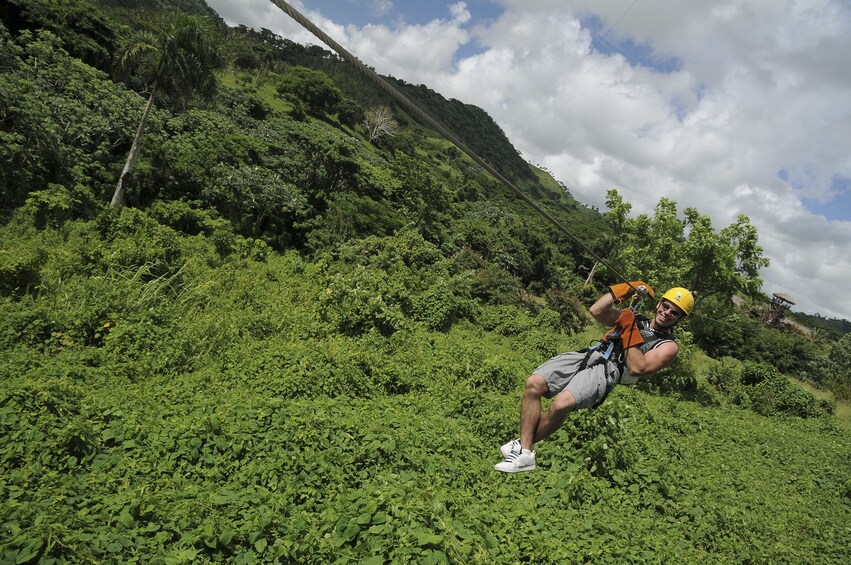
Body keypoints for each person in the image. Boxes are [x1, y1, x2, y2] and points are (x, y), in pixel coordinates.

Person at [494, 283, 695, 473]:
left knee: (561, 404)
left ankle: (525, 452)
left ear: (680, 319)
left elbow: (637, 367)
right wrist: (620, 291)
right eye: (666, 306)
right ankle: (523, 445)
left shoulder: (668, 346)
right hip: (593, 353)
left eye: (674, 312)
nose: (667, 313)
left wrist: (629, 329)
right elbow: (597, 311)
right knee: (533, 384)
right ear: (659, 303)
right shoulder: (637, 317)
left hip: (610, 368)